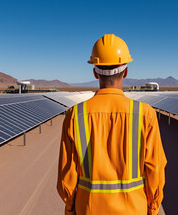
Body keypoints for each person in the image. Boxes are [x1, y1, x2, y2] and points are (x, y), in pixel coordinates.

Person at [57, 34, 167, 215]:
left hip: (88, 208)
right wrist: (152, 208)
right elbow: (155, 168)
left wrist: (70, 206)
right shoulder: (145, 114)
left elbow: (66, 171)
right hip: (134, 210)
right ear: (126, 72)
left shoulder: (75, 115)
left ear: (95, 72)